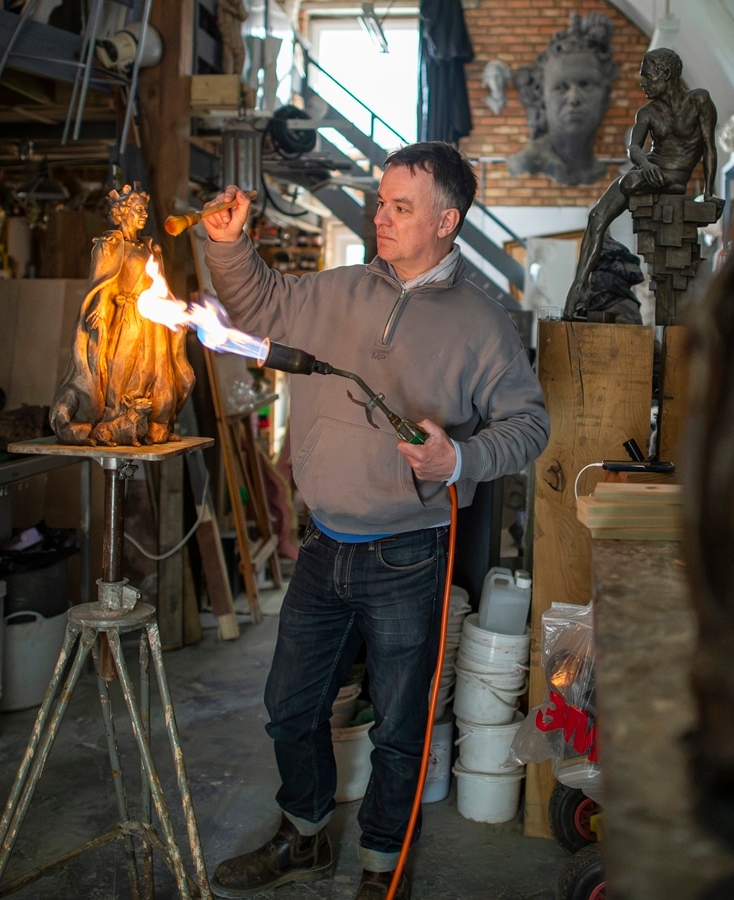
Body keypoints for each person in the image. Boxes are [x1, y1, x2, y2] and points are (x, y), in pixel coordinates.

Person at [200, 142, 550, 900]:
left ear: (447, 221)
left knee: (398, 728)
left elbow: (528, 426)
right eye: (380, 201)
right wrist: (228, 246)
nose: (379, 216)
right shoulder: (337, 290)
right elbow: (257, 303)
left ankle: (380, 865)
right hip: (325, 547)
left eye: (400, 207)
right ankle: (303, 835)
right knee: (289, 708)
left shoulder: (483, 324)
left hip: (409, 559)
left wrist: (457, 461)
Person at [561, 47, 720, 319]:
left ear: (666, 74)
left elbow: (709, 147)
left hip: (674, 179)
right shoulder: (647, 113)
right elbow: (633, 149)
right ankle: (578, 288)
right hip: (650, 174)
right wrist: (645, 164)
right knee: (597, 215)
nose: (642, 82)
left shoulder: (699, 101)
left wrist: (708, 193)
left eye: (647, 76)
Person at [50, 183, 193, 446]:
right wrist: (100, 311)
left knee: (157, 373)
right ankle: (114, 423)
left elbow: (162, 288)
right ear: (122, 212)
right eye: (138, 209)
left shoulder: (150, 248)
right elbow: (103, 282)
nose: (144, 215)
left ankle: (154, 424)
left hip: (152, 323)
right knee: (120, 373)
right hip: (125, 320)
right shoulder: (111, 245)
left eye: (145, 210)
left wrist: (176, 314)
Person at [508, 12, 617, 186]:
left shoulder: (596, 169)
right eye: (561, 88)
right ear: (542, 99)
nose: (573, 98)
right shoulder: (524, 164)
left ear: (605, 96)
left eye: (585, 84)